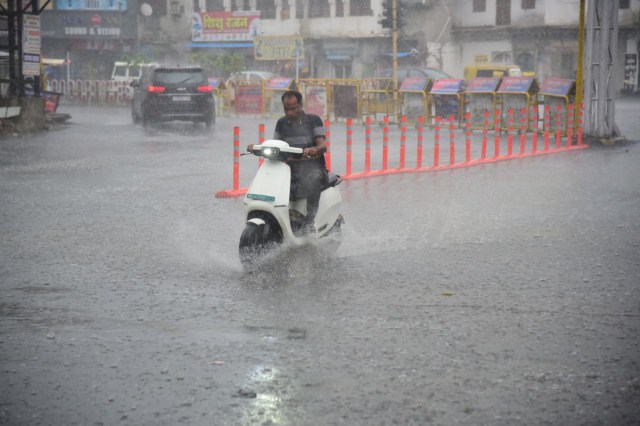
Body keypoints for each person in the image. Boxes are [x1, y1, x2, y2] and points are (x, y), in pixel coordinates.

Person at [247, 90, 328, 232]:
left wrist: (314, 149)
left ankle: (309, 222)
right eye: (286, 109)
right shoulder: (281, 123)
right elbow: (275, 145)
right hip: (290, 170)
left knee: (313, 179)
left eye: (293, 109)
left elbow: (322, 145)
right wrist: (256, 148)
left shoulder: (313, 120)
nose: (290, 113)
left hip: (314, 168)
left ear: (301, 105)